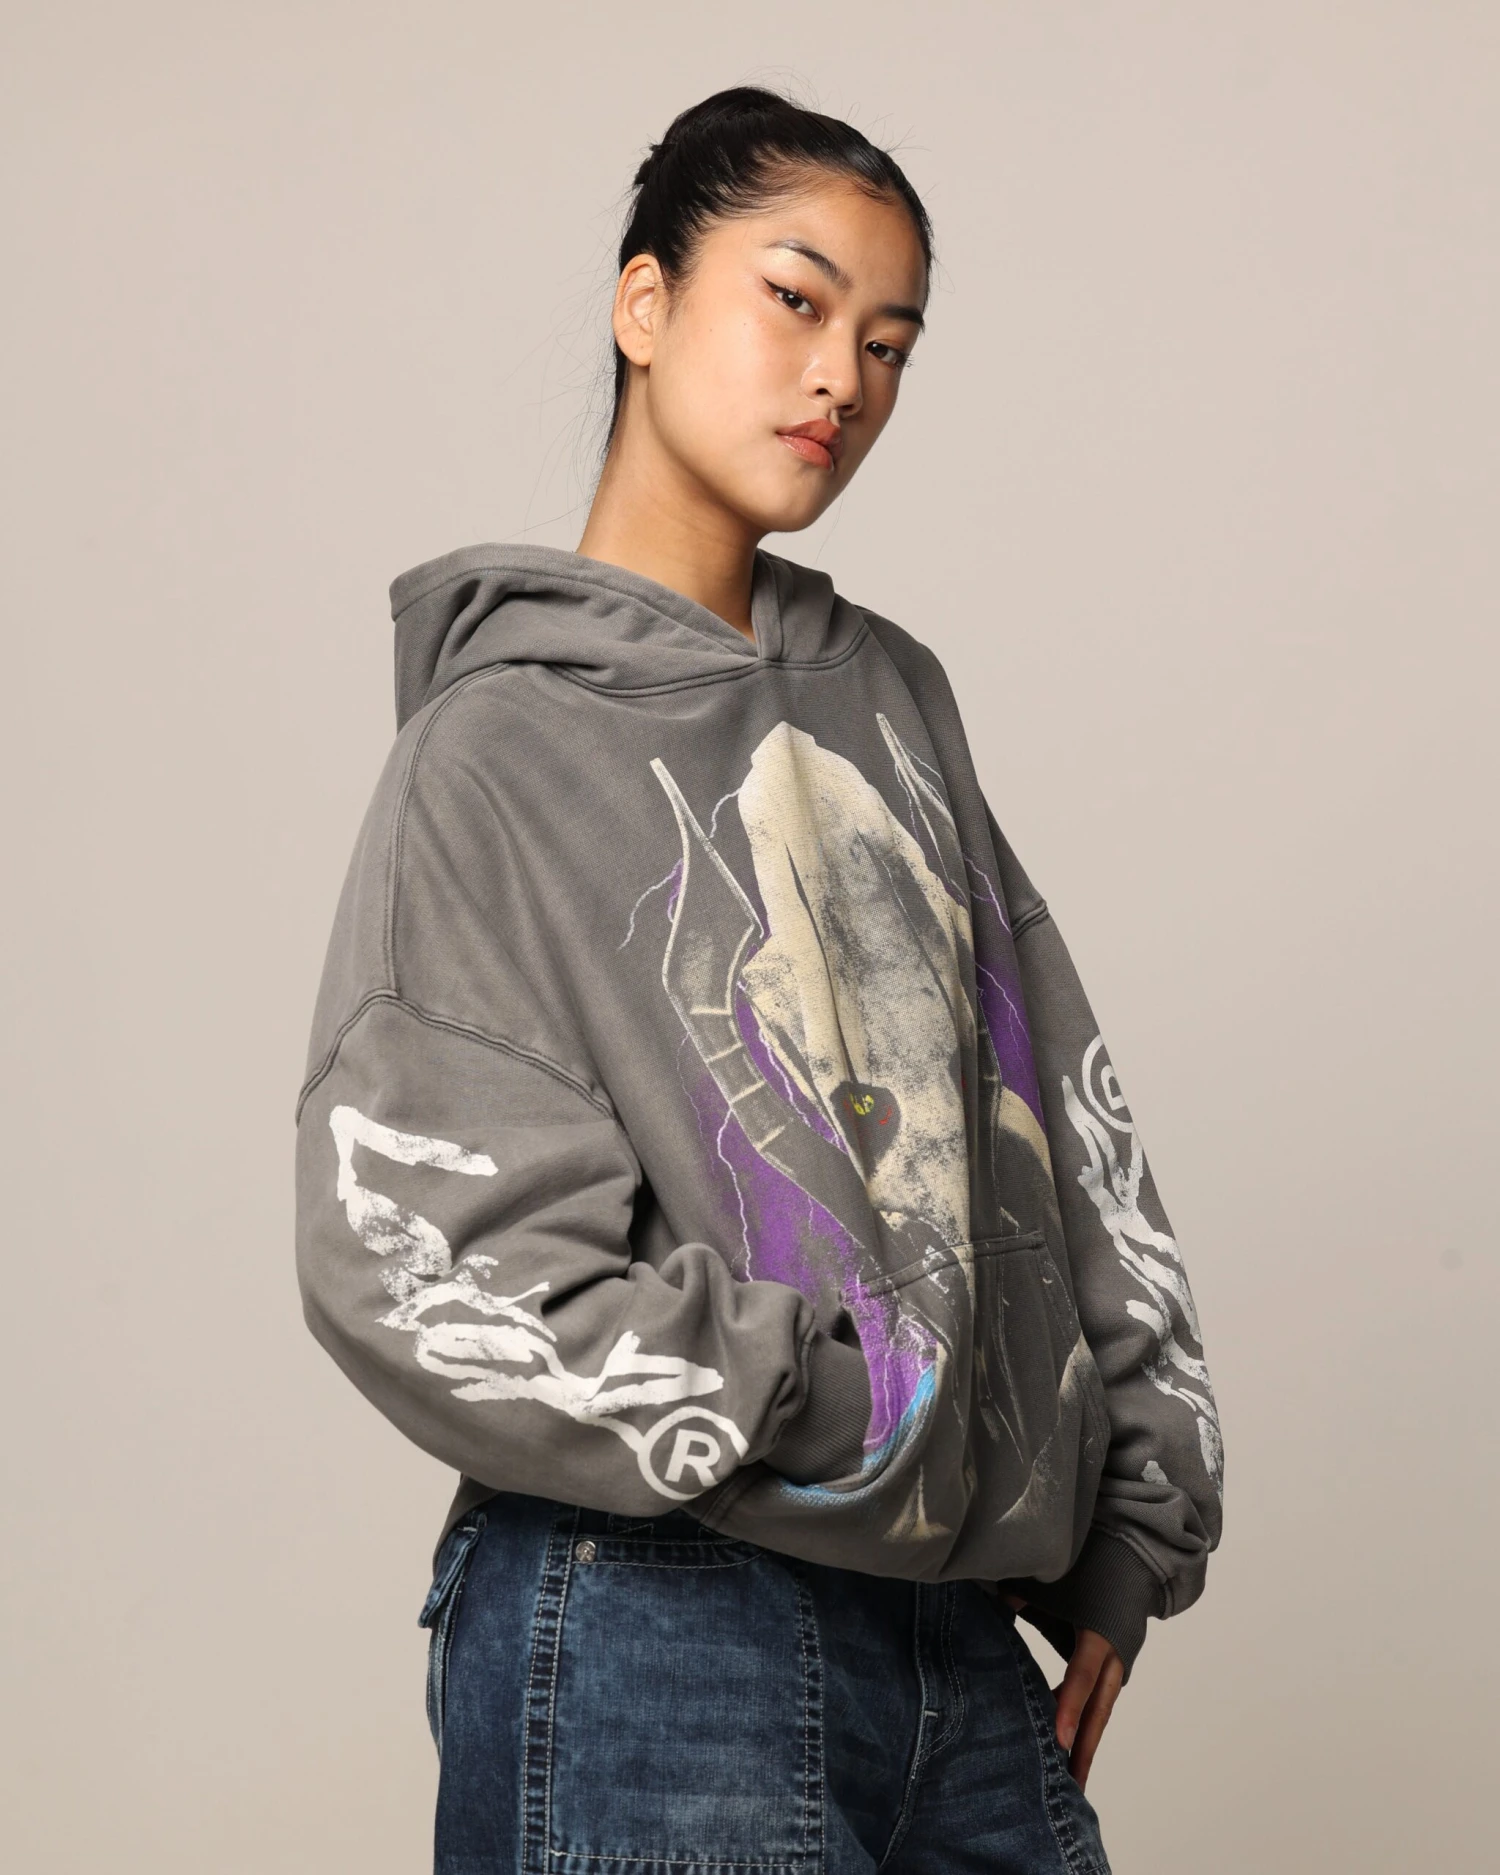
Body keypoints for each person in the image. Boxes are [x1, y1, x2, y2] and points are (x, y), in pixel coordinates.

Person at [294, 85, 1223, 1875]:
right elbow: (418, 1246)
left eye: (889, 343)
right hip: (654, 1619)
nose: (842, 378)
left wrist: (1127, 1504)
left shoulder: (894, 697)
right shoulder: (496, 751)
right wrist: (853, 1393)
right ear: (643, 303)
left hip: (950, 1633)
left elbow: (1041, 1097)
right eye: (796, 300)